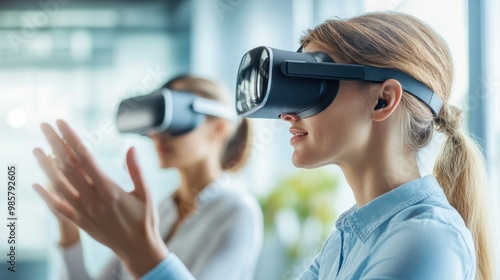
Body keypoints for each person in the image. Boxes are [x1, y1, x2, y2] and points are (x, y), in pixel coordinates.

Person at [34, 11, 494, 280]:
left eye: (309, 85)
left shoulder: (424, 240)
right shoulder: (347, 238)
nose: (286, 114)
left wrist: (144, 256)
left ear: (383, 99)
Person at [34, 75, 263, 280]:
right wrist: (67, 223)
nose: (159, 133)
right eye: (157, 120)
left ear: (219, 128)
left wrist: (138, 252)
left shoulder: (238, 210)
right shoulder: (163, 208)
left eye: (176, 118)